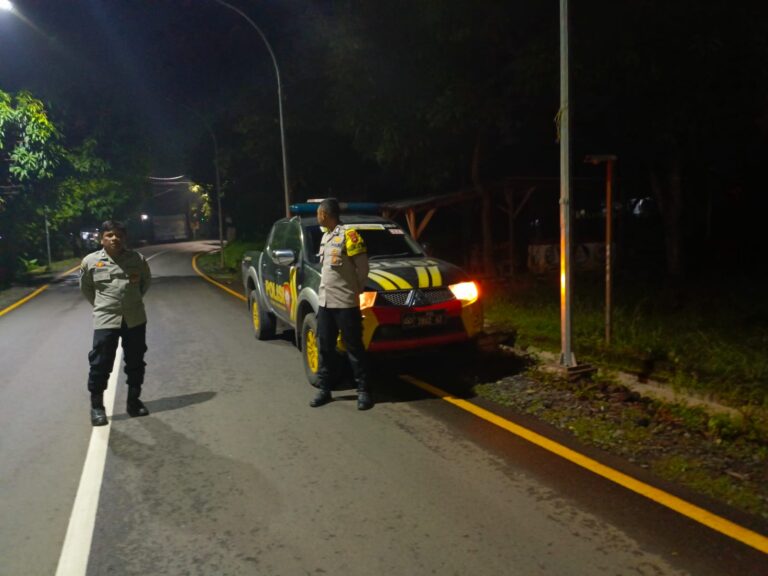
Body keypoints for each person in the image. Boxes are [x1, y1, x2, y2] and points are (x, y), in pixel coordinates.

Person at [79, 220, 152, 426]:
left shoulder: (137, 259)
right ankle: (97, 407)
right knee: (100, 363)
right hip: (106, 320)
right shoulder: (90, 261)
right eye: (109, 235)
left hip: (135, 319)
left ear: (124, 238)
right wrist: (104, 305)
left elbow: (145, 283)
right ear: (101, 239)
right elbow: (86, 288)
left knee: (136, 361)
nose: (114, 238)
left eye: (118, 235)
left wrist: (131, 301)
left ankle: (133, 401)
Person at [311, 198, 374, 410]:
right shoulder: (325, 237)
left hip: (346, 303)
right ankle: (324, 389)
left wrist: (356, 290)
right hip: (325, 303)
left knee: (353, 347)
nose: (318, 216)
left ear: (325, 214)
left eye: (318, 213)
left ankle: (363, 390)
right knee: (325, 347)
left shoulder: (349, 235)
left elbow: (363, 268)